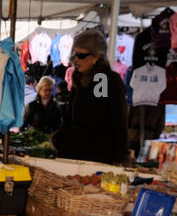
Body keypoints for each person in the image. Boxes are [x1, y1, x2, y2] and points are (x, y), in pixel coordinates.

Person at [51, 29, 128, 164]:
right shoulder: (80, 78)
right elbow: (71, 117)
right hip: (74, 152)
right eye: (75, 54)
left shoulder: (102, 79)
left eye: (81, 55)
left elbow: (109, 118)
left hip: (95, 155)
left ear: (97, 56)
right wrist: (61, 138)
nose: (75, 59)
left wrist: (120, 155)